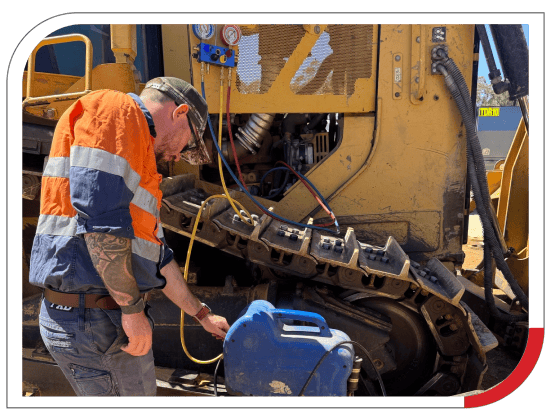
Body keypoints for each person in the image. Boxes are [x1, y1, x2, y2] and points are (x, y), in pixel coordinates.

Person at [29, 77, 230, 397]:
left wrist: (202, 314)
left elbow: (159, 258)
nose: (180, 155)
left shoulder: (138, 159)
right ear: (180, 113)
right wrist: (132, 311)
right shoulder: (116, 111)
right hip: (94, 321)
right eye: (189, 142)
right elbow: (101, 226)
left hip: (95, 318)